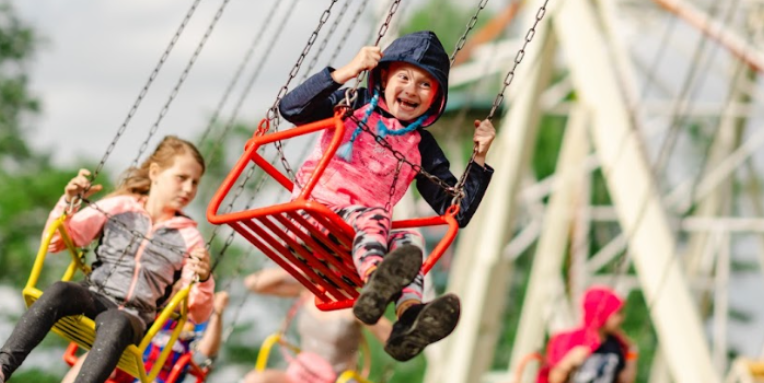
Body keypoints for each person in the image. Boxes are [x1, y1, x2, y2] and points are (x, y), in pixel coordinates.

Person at [278, 30, 497, 362]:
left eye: (425, 84)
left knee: (410, 238)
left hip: (361, 239)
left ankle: (408, 317)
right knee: (376, 217)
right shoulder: (353, 104)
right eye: (404, 77)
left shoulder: (421, 146)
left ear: (436, 97)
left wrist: (479, 157)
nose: (411, 89)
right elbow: (291, 109)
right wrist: (345, 73)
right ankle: (375, 281)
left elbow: (456, 211)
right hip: (315, 216)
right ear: (383, 76)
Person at [0, 136, 215, 383]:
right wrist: (69, 202)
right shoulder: (120, 206)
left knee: (117, 322)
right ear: (155, 172)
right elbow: (59, 240)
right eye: (182, 178)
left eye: (195, 183)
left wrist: (203, 278)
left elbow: (200, 313)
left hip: (135, 316)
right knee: (60, 290)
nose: (188, 189)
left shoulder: (189, 237)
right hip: (96, 294)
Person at [242, 268, 391, 383]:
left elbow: (392, 338)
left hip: (336, 379)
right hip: (300, 375)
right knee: (255, 380)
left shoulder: (354, 306)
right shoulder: (309, 291)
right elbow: (253, 283)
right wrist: (302, 267)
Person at [62, 291, 230, 383]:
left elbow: (205, 354)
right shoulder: (151, 311)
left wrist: (217, 313)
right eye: (178, 288)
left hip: (158, 378)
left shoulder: (198, 322)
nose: (182, 295)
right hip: (127, 370)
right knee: (96, 356)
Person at [537, 287, 636, 383]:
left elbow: (625, 380)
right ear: (603, 314)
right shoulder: (569, 340)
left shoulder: (617, 345)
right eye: (617, 314)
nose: (622, 318)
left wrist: (631, 351)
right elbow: (553, 379)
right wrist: (569, 363)